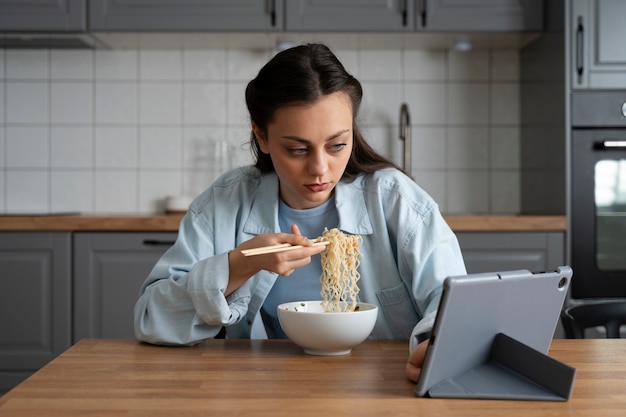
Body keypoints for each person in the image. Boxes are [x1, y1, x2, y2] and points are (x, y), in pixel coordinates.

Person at [133, 43, 466, 383]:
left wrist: (435, 344)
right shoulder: (224, 204)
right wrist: (239, 264)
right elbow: (151, 319)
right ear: (261, 136)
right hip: (266, 386)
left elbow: (451, 301)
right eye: (297, 149)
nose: (320, 168)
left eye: (337, 145)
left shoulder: (396, 200)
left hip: (381, 388)